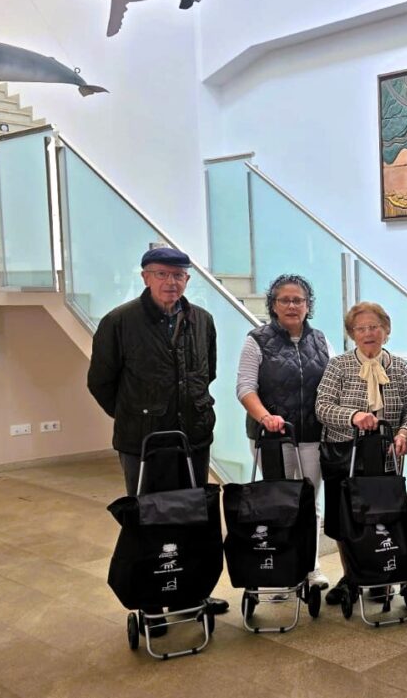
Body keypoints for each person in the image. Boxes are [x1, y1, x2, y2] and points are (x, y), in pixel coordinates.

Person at [87, 246, 229, 625]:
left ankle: (192, 590)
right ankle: (151, 599)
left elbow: (208, 372)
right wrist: (135, 415)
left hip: (193, 437)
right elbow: (101, 382)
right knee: (149, 517)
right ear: (145, 277)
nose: (171, 282)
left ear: (187, 279)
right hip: (142, 442)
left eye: (178, 275)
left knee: (192, 514)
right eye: (162, 274)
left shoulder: (202, 320)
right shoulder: (119, 321)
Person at [316, 301, 407, 604]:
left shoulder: (399, 367)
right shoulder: (338, 365)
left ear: (386, 330)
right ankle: (351, 576)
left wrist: (403, 434)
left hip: (385, 453)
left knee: (381, 515)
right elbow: (322, 407)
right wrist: (353, 416)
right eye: (360, 328)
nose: (368, 333)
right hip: (344, 452)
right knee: (345, 519)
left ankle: (380, 572)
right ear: (352, 333)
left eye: (374, 327)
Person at [236, 274, 331, 590]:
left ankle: (311, 567)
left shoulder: (321, 340)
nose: (292, 306)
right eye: (285, 300)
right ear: (273, 305)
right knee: (278, 503)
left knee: (309, 502)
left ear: (308, 305)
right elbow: (245, 388)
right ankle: (280, 572)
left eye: (298, 300)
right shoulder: (256, 340)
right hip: (272, 438)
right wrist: (266, 417)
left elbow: (332, 385)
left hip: (313, 436)